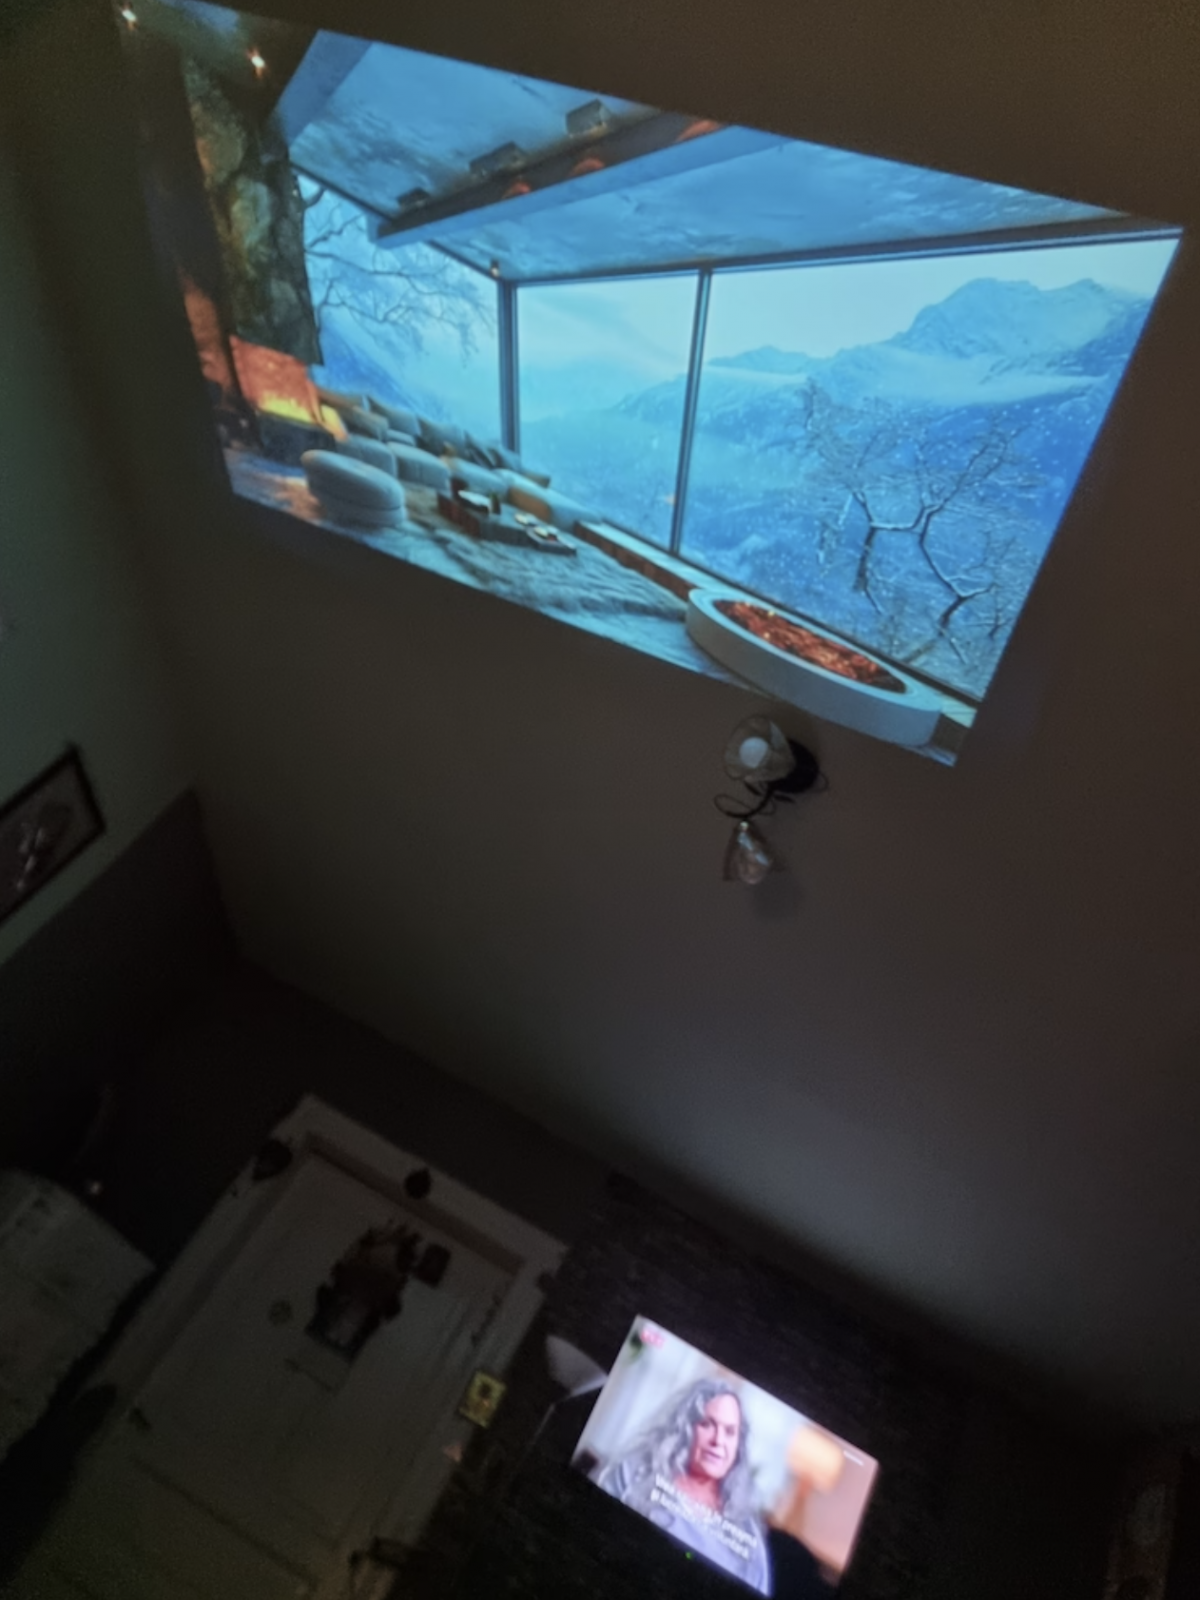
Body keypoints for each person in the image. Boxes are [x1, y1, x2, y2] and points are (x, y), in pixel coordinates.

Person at [596, 1378, 772, 1594]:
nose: (718, 1440)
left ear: (739, 1444)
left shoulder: (747, 1535)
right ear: (686, 1427)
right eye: (707, 1424)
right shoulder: (634, 1475)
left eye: (729, 1431)